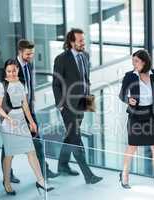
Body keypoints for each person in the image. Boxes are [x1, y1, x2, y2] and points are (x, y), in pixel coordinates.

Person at [0, 40, 59, 183]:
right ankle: (7, 175)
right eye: (28, 54)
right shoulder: (11, 67)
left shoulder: (29, 65)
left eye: (32, 53)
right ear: (20, 52)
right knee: (8, 146)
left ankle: (44, 171)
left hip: (28, 111)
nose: (31, 56)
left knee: (37, 141)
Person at [0, 59, 54, 195]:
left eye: (14, 70)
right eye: (9, 71)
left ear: (17, 69)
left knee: (31, 151)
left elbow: (25, 105)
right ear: (5, 71)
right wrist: (8, 118)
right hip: (8, 122)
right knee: (9, 154)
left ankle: (40, 180)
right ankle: (7, 182)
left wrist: (31, 122)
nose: (11, 73)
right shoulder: (1, 85)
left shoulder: (22, 83)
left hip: (21, 120)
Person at [52, 28, 103, 184]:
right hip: (67, 105)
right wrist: (60, 105)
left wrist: (89, 102)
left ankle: (62, 165)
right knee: (76, 138)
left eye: (83, 40)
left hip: (83, 102)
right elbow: (56, 84)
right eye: (80, 40)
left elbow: (86, 79)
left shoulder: (85, 56)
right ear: (71, 42)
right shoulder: (61, 59)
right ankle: (88, 174)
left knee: (70, 135)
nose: (83, 43)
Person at [118, 49, 154, 192]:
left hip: (152, 116)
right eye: (133, 61)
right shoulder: (129, 76)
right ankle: (124, 175)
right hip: (136, 116)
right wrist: (128, 100)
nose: (134, 64)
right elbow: (121, 95)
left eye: (137, 61)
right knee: (132, 146)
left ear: (145, 62)